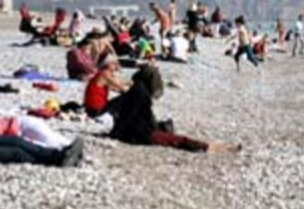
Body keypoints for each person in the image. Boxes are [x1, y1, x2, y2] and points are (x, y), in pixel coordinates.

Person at [87, 54, 240, 153]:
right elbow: (131, 117)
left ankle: (211, 146)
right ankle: (211, 147)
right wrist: (115, 135)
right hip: (138, 134)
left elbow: (129, 116)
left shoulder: (137, 90)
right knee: (177, 140)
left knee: (171, 135)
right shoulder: (140, 94)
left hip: (133, 131)